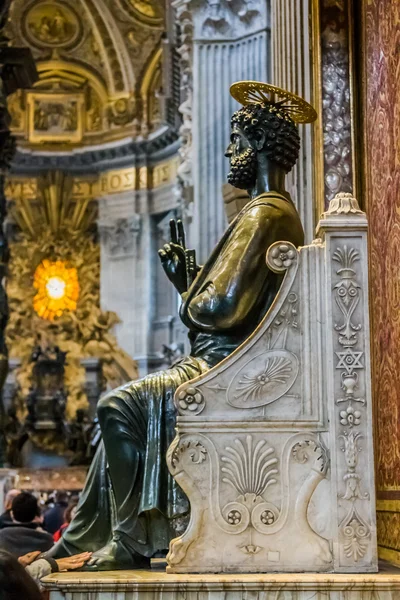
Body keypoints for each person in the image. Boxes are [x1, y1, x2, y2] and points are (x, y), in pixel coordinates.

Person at [48, 81, 312, 570]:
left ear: (256, 145)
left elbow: (220, 309)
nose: (230, 150)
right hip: (225, 361)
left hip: (223, 370)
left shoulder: (266, 215)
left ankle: (128, 541)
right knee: (116, 420)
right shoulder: (263, 214)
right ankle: (77, 541)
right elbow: (217, 304)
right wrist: (190, 282)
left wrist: (188, 289)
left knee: (116, 405)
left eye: (236, 139)